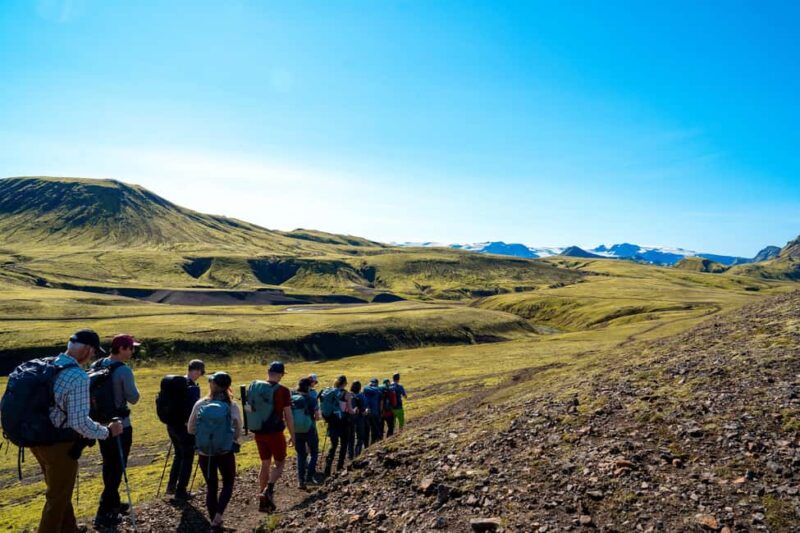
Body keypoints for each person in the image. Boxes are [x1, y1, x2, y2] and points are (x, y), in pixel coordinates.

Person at [31, 329, 123, 533]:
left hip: (36, 438)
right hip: (59, 444)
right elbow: (79, 422)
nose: (92, 356)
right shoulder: (78, 376)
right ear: (87, 349)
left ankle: (69, 529)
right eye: (93, 352)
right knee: (57, 498)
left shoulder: (49, 364)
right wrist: (108, 431)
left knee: (60, 490)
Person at [93, 334, 142, 528]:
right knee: (118, 467)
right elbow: (133, 398)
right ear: (122, 348)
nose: (132, 351)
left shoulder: (97, 365)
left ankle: (113, 501)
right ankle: (104, 511)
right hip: (121, 426)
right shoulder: (123, 370)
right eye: (131, 348)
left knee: (109, 464)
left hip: (100, 424)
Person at [187, 371, 242, 533]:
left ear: (212, 384)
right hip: (225, 452)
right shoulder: (232, 405)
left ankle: (214, 523)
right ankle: (218, 518)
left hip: (205, 453)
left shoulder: (200, 404)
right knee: (228, 483)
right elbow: (238, 429)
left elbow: (190, 429)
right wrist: (230, 438)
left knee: (211, 487)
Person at [248, 361, 295, 513]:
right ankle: (268, 490)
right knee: (280, 463)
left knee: (265, 464)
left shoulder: (255, 386)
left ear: (268, 372)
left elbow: (249, 408)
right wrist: (293, 435)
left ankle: (263, 502)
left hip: (259, 432)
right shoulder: (283, 390)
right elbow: (288, 416)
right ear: (280, 374)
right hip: (274, 433)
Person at [165, 359, 205, 501]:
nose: (200, 375)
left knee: (178, 455)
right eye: (201, 372)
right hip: (185, 427)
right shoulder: (191, 387)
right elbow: (194, 410)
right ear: (198, 370)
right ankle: (181, 491)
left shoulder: (175, 383)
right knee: (187, 457)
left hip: (171, 425)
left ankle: (171, 486)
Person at [290, 378, 318, 489]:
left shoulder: (292, 399)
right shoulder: (312, 399)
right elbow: (317, 417)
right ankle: (309, 477)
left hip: (296, 430)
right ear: (308, 387)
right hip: (310, 429)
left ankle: (301, 481)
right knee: (314, 452)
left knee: (301, 455)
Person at [322, 375, 351, 477]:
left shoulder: (330, 392)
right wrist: (354, 411)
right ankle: (339, 467)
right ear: (345, 383)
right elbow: (350, 410)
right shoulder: (346, 393)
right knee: (343, 445)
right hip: (343, 423)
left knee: (333, 446)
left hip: (332, 422)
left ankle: (327, 469)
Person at [305, 373, 321, 482]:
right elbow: (316, 410)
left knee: (304, 443)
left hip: (300, 421)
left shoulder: (297, 392)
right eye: (314, 382)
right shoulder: (313, 393)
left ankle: (305, 464)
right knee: (313, 443)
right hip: (311, 420)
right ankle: (310, 468)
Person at [347, 380, 368, 458]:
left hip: (350, 419)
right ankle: (357, 453)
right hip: (360, 418)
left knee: (350, 438)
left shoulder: (348, 395)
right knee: (360, 437)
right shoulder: (361, 396)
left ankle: (350, 454)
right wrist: (366, 411)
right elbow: (364, 407)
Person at [363, 377, 383, 444]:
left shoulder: (365, 389)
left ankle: (366, 445)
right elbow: (381, 403)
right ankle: (372, 443)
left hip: (366, 412)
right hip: (375, 413)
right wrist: (380, 412)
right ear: (377, 383)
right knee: (374, 429)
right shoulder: (378, 391)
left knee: (367, 430)